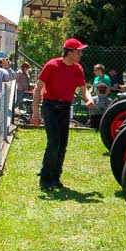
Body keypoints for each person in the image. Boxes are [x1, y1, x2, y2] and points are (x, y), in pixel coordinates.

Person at [31, 38, 96, 190]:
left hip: (65, 107)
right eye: (78, 51)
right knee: (53, 142)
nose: (81, 54)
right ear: (69, 52)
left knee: (62, 145)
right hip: (50, 107)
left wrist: (89, 99)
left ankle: (55, 177)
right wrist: (35, 113)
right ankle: (45, 179)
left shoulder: (77, 68)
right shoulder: (52, 65)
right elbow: (38, 88)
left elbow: (83, 89)